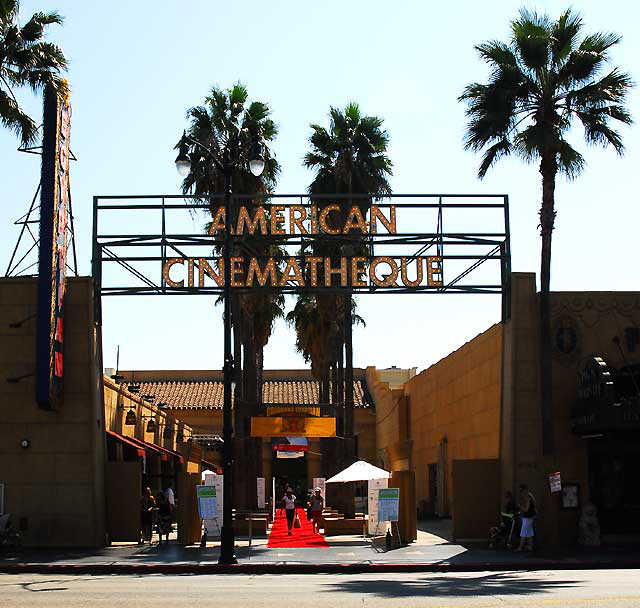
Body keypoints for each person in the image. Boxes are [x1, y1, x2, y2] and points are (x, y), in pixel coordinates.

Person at [516, 483, 536, 552]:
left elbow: (526, 509)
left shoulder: (528, 498)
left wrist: (520, 507)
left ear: (524, 490)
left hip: (527, 517)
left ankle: (520, 548)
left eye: (521, 491)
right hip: (530, 517)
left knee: (523, 533)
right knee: (529, 533)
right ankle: (530, 547)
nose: (521, 493)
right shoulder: (531, 496)